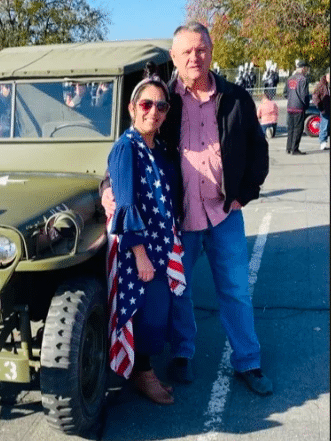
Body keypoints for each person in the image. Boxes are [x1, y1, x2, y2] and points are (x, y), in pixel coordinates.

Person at [102, 21, 273, 396]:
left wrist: (246, 191)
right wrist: (107, 189)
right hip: (180, 219)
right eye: (186, 52)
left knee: (235, 290)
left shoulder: (235, 97)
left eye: (201, 49)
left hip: (224, 212)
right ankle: (183, 354)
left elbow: (258, 149)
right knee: (180, 289)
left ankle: (249, 361)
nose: (195, 57)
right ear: (174, 58)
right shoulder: (163, 100)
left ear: (211, 52)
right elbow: (127, 151)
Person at [107, 72, 185, 405]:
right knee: (147, 314)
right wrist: (139, 254)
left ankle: (146, 369)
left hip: (162, 245)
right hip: (140, 249)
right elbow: (125, 202)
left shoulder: (159, 147)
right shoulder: (126, 148)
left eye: (161, 106)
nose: (154, 111)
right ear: (132, 108)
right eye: (146, 104)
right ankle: (142, 373)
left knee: (159, 311)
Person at [283, 60, 310, 155]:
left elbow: (285, 93)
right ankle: (295, 149)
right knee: (298, 129)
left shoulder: (290, 78)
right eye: (306, 68)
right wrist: (306, 105)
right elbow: (304, 95)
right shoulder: (303, 79)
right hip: (298, 107)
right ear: (303, 68)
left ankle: (289, 147)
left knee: (291, 128)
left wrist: (291, 98)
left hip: (290, 106)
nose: (306, 70)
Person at [312, 68, 330, 150]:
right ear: (326, 75)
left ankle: (317, 124)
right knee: (324, 126)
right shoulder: (321, 85)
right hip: (325, 109)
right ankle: (323, 142)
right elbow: (315, 96)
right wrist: (320, 107)